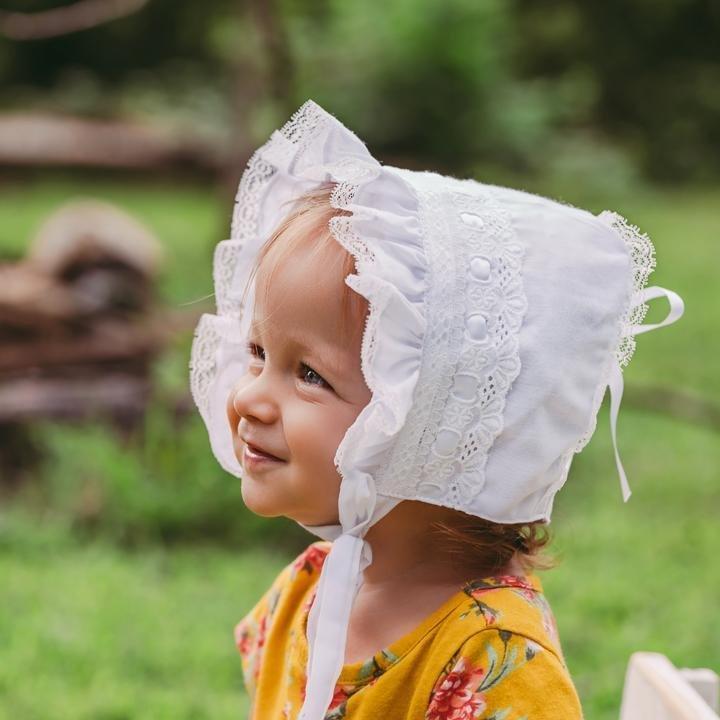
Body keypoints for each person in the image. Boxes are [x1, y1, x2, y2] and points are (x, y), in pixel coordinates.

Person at [189, 100, 685, 720]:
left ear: (433, 426)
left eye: (309, 374)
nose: (248, 395)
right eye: (258, 352)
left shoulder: (494, 660)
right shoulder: (310, 588)